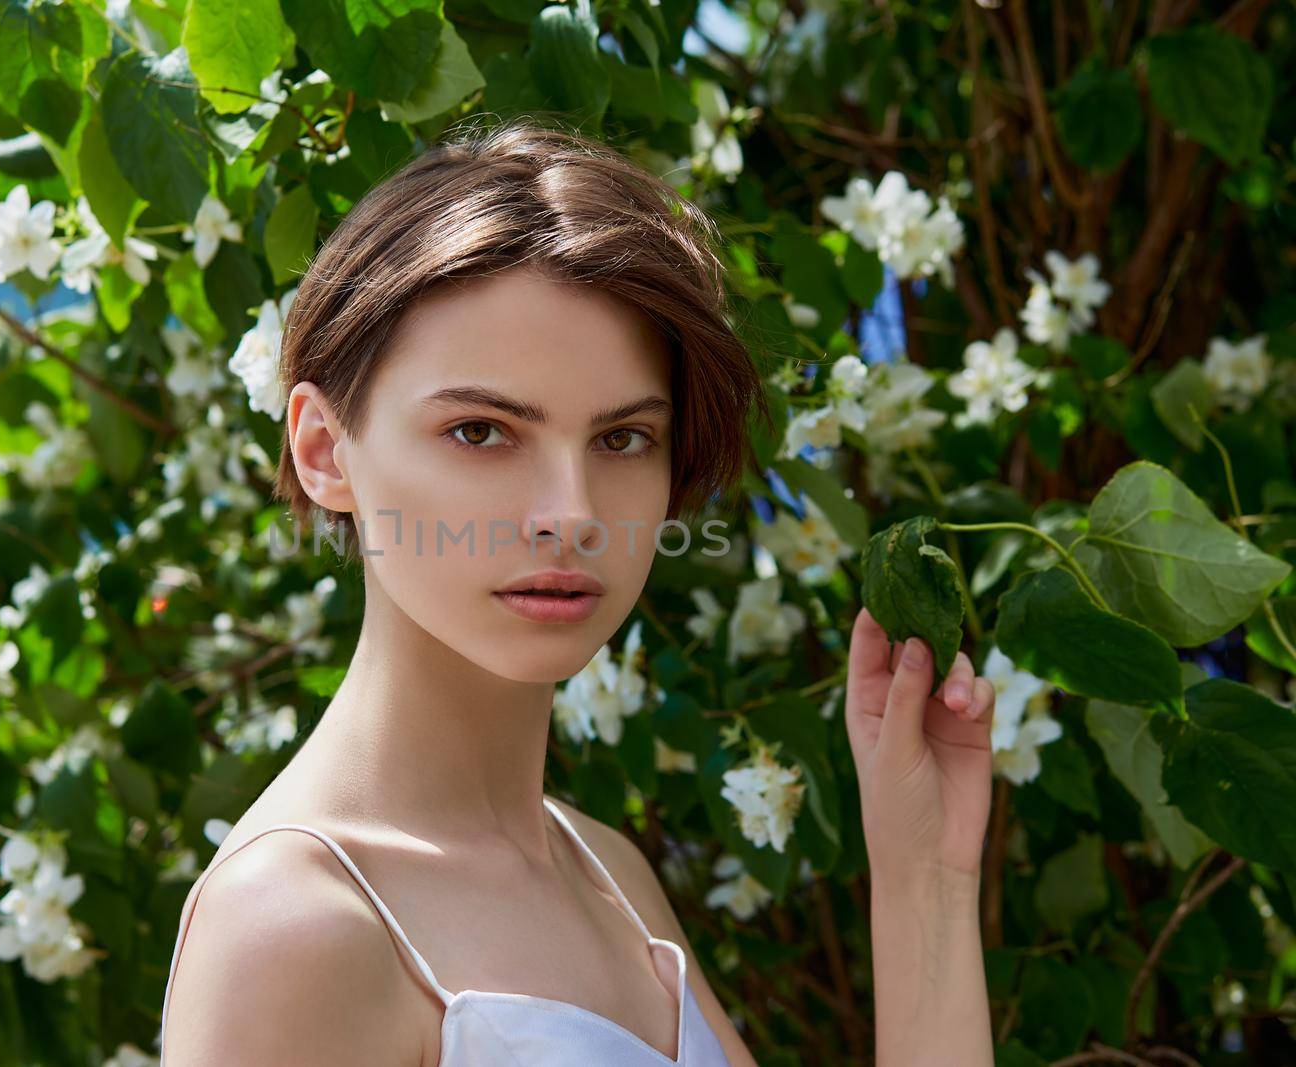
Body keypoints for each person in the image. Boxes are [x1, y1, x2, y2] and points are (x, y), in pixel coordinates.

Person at [159, 118, 997, 1066]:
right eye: (481, 431)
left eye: (622, 438)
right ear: (322, 450)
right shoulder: (295, 926)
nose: (572, 513)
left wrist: (924, 870)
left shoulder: (608, 875)